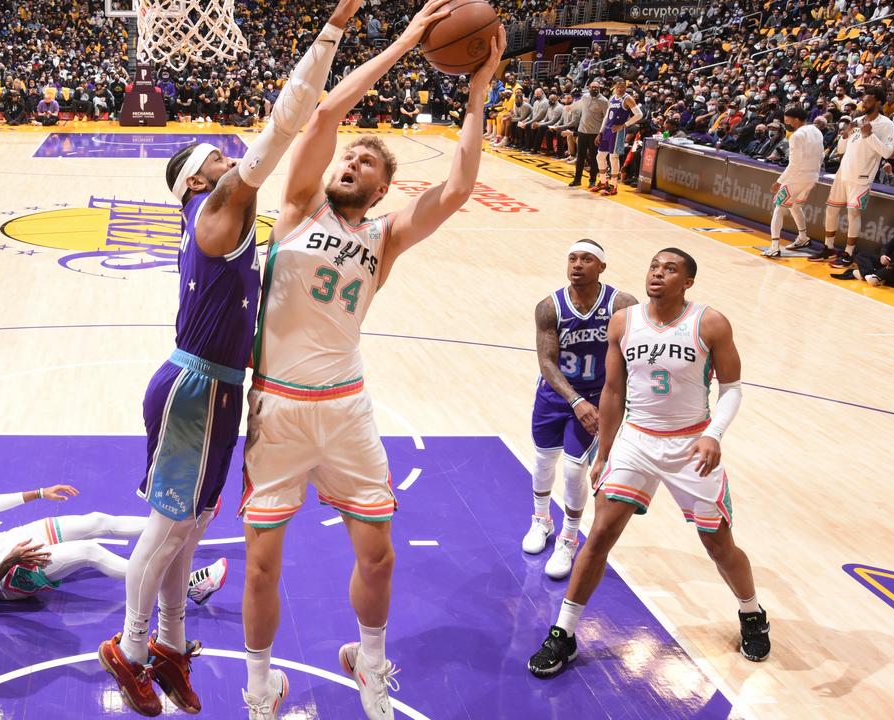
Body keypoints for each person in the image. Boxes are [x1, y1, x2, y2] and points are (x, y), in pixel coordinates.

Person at [97, 0, 363, 716]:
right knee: (170, 525)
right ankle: (129, 643)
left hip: (213, 389)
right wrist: (332, 32)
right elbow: (283, 126)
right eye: (216, 157)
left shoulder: (223, 220)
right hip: (195, 388)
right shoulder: (216, 211)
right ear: (194, 182)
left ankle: (172, 652)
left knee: (192, 524)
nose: (230, 156)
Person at [240, 7, 505, 719]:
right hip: (277, 408)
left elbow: (455, 190)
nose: (351, 163)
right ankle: (260, 686)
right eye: (348, 157)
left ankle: (371, 660)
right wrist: (410, 41)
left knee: (380, 554)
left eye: (367, 163)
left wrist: (477, 99)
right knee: (263, 564)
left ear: (384, 188)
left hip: (347, 407)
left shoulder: (385, 237)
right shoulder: (298, 207)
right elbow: (326, 108)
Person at [528, 248, 769, 679]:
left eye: (670, 269)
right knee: (599, 533)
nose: (658, 273)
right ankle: (563, 633)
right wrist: (604, 451)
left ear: (687, 282)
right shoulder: (624, 322)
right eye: (654, 266)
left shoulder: (709, 322)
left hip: (690, 443)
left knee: (718, 544)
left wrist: (714, 434)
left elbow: (732, 388)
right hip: (637, 440)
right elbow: (614, 392)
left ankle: (751, 612)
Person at [0, 481, 227, 608]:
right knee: (91, 552)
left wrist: (37, 494)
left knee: (95, 521)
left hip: (2, 544)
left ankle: (186, 526)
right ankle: (187, 589)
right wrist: (10, 561)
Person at [524, 241, 637, 580]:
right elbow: (547, 361)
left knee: (574, 470)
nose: (577, 265)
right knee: (544, 460)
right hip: (558, 395)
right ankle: (541, 520)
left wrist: (616, 401)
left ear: (601, 267)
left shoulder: (621, 304)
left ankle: (569, 538)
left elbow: (635, 355)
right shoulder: (549, 306)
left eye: (587, 259)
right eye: (572, 258)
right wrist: (575, 401)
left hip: (596, 396)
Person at [809, 86, 894, 267]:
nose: (864, 103)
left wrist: (869, 134)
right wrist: (845, 134)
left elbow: (887, 153)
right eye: (863, 100)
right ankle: (829, 248)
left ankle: (848, 254)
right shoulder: (857, 119)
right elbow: (842, 149)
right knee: (831, 210)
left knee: (853, 214)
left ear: (878, 102)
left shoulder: (886, 124)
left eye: (868, 100)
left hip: (862, 177)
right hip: (843, 172)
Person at [763, 104, 823, 258]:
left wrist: (779, 181)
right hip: (812, 177)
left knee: (779, 207)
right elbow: (821, 156)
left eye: (788, 120)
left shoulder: (796, 136)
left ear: (796, 120)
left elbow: (794, 164)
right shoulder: (816, 130)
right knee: (795, 205)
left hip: (797, 177)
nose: (787, 124)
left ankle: (774, 246)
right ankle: (803, 238)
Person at [591, 78, 642, 196]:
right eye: (618, 87)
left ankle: (614, 186)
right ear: (615, 87)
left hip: (618, 132)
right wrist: (600, 131)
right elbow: (607, 116)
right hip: (607, 130)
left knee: (613, 157)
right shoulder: (613, 97)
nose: (620, 89)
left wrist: (624, 125)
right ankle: (603, 182)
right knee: (600, 156)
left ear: (625, 87)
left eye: (622, 87)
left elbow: (639, 114)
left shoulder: (628, 98)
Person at [569, 81, 607, 188]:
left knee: (593, 158)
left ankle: (592, 180)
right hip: (582, 132)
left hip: (594, 134)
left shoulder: (604, 101)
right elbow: (578, 104)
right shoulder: (585, 97)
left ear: (599, 88)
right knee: (580, 157)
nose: (594, 89)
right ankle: (577, 180)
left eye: (596, 87)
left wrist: (601, 133)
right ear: (589, 88)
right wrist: (569, 107)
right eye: (592, 87)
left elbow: (606, 118)